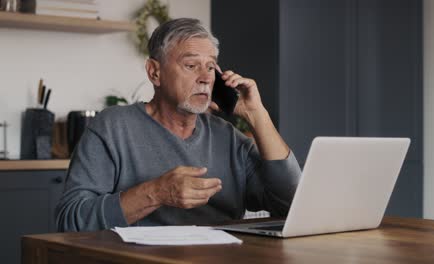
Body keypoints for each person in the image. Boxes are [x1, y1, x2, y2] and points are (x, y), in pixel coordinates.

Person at [55, 18, 301, 232]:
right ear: (154, 72)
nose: (205, 78)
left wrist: (257, 115)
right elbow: (71, 221)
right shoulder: (112, 127)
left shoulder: (228, 137)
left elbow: (292, 204)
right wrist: (158, 192)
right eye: (191, 66)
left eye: (211, 66)